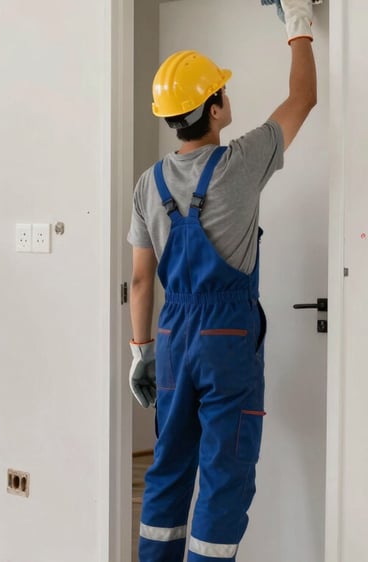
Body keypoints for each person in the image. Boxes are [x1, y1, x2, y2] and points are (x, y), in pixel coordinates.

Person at [126, 1, 317, 560]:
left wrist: (141, 353)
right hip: (225, 341)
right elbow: (302, 99)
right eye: (222, 93)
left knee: (168, 468)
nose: (228, 98)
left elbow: (141, 281)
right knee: (224, 474)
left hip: (171, 340)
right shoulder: (240, 163)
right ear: (213, 110)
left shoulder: (147, 183)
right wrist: (298, 23)